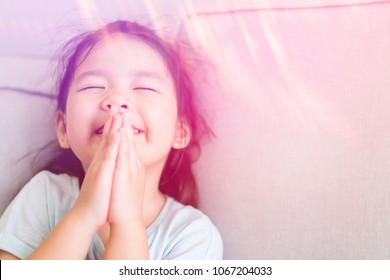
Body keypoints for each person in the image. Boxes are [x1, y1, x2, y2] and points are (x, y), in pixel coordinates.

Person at [0, 20, 223, 259]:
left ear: (180, 130)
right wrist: (84, 215)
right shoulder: (45, 195)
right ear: (63, 128)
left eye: (144, 88)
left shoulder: (192, 234)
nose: (117, 99)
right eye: (93, 86)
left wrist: (127, 223)